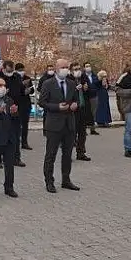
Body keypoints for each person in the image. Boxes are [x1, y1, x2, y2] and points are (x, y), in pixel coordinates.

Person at [38, 59, 81, 193]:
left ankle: (66, 180)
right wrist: (57, 107)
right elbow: (42, 102)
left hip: (69, 124)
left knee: (67, 154)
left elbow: (77, 99)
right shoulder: (47, 83)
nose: (65, 69)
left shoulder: (71, 83)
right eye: (62, 67)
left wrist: (76, 104)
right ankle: (49, 181)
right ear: (56, 68)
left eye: (67, 67)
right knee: (51, 154)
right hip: (54, 124)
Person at [66, 63, 92, 161]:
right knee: (72, 133)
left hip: (83, 108)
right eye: (75, 69)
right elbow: (65, 94)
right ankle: (67, 154)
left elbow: (92, 91)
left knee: (82, 133)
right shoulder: (68, 79)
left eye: (78, 69)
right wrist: (74, 89)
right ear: (71, 71)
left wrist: (86, 88)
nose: (77, 71)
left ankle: (81, 153)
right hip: (73, 110)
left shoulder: (84, 77)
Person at [38, 64, 55, 137]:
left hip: (54, 99)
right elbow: (39, 88)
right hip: (46, 100)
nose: (51, 71)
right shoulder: (43, 78)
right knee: (46, 115)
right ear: (47, 70)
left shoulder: (56, 77)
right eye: (49, 69)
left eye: (52, 69)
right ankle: (45, 130)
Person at [83, 62, 101, 135]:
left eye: (89, 66)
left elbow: (98, 85)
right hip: (86, 97)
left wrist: (100, 81)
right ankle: (83, 130)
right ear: (84, 68)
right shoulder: (82, 76)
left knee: (93, 113)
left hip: (94, 96)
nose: (88, 67)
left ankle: (92, 129)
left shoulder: (94, 75)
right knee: (85, 114)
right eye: (86, 66)